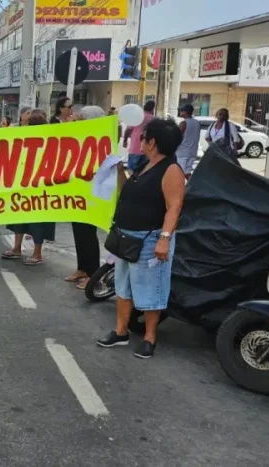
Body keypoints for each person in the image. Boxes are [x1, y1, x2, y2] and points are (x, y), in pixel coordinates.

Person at [97, 119, 185, 359]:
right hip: (127, 238)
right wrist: (118, 172)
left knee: (150, 290)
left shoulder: (171, 170)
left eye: (144, 136)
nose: (140, 139)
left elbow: (174, 207)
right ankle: (120, 331)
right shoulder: (146, 165)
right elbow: (129, 190)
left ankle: (149, 338)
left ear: (152, 142)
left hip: (150, 239)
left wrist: (164, 238)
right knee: (123, 287)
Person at [3, 109, 55, 265]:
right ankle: (18, 248)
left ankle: (35, 253)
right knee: (21, 217)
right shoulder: (22, 137)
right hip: (24, 183)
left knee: (35, 220)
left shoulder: (50, 139)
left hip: (39, 186)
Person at [65, 106, 105, 289]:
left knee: (88, 233)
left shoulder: (100, 138)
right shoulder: (78, 135)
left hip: (91, 190)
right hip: (77, 189)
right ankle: (82, 268)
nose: (77, 120)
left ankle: (93, 273)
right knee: (78, 229)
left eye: (81, 118)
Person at [127, 100, 155, 173]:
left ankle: (132, 183)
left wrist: (125, 140)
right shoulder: (153, 120)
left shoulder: (137, 117)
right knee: (143, 170)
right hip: (147, 149)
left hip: (135, 148)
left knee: (131, 170)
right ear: (152, 109)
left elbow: (128, 129)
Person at [175, 104, 201, 176]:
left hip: (182, 152)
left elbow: (177, 137)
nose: (180, 113)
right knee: (187, 173)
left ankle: (180, 187)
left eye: (181, 111)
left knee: (179, 173)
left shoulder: (183, 123)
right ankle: (193, 186)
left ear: (185, 112)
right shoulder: (197, 123)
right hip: (193, 152)